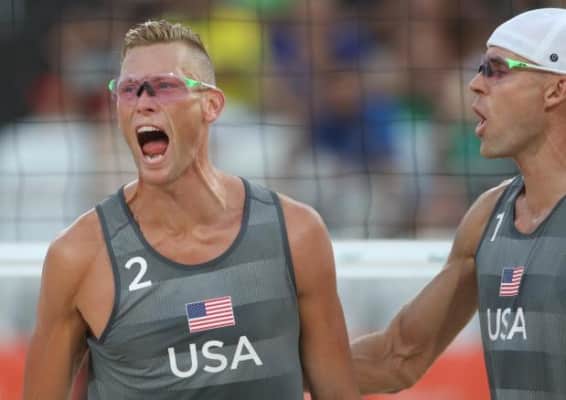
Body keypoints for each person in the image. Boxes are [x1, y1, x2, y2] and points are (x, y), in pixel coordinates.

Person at [22, 20, 360, 400]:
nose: (144, 102)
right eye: (129, 90)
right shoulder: (79, 255)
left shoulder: (297, 233)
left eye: (165, 86)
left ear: (211, 105)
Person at [351, 7, 566, 400]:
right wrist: (262, 370)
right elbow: (397, 357)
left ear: (555, 89)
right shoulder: (488, 215)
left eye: (496, 70)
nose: (475, 84)